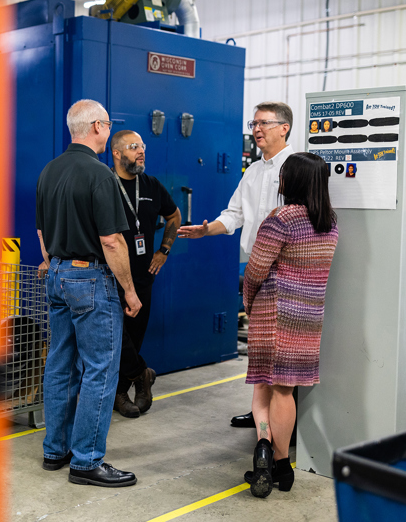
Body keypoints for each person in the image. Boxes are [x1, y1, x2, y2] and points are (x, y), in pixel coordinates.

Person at [36, 99, 141, 488]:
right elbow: (111, 241)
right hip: (90, 279)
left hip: (58, 274)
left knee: (60, 363)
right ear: (98, 126)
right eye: (108, 124)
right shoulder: (99, 175)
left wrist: (59, 264)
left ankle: (54, 450)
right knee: (100, 369)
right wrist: (129, 290)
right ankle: (87, 461)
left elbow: (42, 235)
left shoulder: (49, 171)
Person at [177, 101, 294, 429]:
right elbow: (235, 214)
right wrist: (206, 229)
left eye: (264, 123)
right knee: (259, 348)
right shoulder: (254, 171)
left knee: (281, 353)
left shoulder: (296, 167)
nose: (256, 129)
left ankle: (281, 420)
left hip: (285, 273)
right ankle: (261, 412)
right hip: (256, 271)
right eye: (254, 123)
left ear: (284, 127)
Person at [241, 152, 338, 497]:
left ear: (291, 181)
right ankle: (281, 465)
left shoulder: (281, 219)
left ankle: (266, 450)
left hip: (274, 314)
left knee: (262, 389)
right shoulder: (330, 222)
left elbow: (255, 270)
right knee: (286, 390)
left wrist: (248, 302)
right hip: (308, 319)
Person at [109, 130, 181, 418]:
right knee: (116, 337)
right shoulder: (105, 185)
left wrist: (164, 250)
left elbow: (173, 216)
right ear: (116, 153)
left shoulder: (150, 185)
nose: (141, 151)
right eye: (133, 146)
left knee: (134, 337)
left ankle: (121, 390)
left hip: (143, 277)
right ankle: (141, 374)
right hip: (110, 275)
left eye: (143, 146)